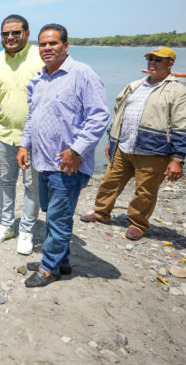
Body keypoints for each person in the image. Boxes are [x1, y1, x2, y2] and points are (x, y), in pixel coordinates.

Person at [17, 24, 109, 288]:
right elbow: (33, 116)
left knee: (58, 217)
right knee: (53, 213)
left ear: (66, 46)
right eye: (43, 44)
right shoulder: (39, 79)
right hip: (43, 161)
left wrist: (77, 150)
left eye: (53, 43)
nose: (47, 48)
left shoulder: (82, 74)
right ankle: (62, 260)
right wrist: (24, 145)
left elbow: (99, 116)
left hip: (68, 165)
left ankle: (49, 268)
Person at [80, 46, 186, 240]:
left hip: (154, 151)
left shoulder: (178, 92)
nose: (152, 63)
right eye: (150, 59)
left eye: (158, 60)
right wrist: (111, 140)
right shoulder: (134, 86)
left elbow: (184, 126)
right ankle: (101, 212)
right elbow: (118, 114)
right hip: (124, 146)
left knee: (145, 191)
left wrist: (178, 159)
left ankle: (138, 224)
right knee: (109, 182)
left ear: (170, 64)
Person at [0, 15, 44, 255]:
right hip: (4, 134)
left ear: (27, 33)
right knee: (6, 181)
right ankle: (6, 224)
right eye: (5, 34)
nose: (10, 37)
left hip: (34, 138)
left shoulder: (41, 56)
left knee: (32, 185)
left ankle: (27, 230)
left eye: (15, 33)